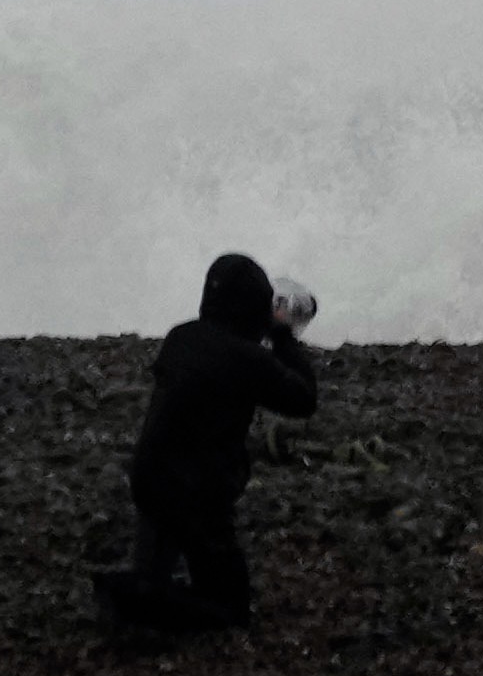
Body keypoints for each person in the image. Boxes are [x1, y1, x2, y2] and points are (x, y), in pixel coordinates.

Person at [93, 254, 326, 630]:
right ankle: (128, 599)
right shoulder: (247, 359)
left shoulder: (180, 338)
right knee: (230, 608)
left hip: (150, 480)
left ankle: (140, 590)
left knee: (159, 569)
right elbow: (303, 399)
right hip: (194, 496)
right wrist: (282, 336)